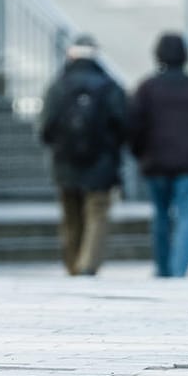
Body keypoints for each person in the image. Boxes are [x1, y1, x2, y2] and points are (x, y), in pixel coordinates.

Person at [127, 32, 188, 278]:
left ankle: (163, 267)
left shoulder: (147, 87)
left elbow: (133, 125)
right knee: (185, 214)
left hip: (154, 162)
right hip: (187, 163)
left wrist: (140, 153)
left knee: (160, 215)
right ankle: (180, 269)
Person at [40, 34, 127, 277]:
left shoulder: (58, 86)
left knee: (71, 216)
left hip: (65, 163)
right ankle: (88, 264)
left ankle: (72, 265)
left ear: (71, 54)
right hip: (102, 163)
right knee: (97, 213)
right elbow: (123, 124)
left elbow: (46, 126)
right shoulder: (109, 86)